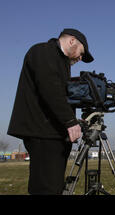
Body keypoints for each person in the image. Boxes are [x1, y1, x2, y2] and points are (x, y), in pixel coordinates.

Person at [7, 28, 94, 195]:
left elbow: (59, 94)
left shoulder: (60, 62)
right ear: (71, 41)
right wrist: (69, 121)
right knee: (46, 188)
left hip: (52, 134)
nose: (80, 58)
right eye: (81, 53)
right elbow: (50, 89)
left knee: (53, 187)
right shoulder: (43, 51)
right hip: (42, 133)